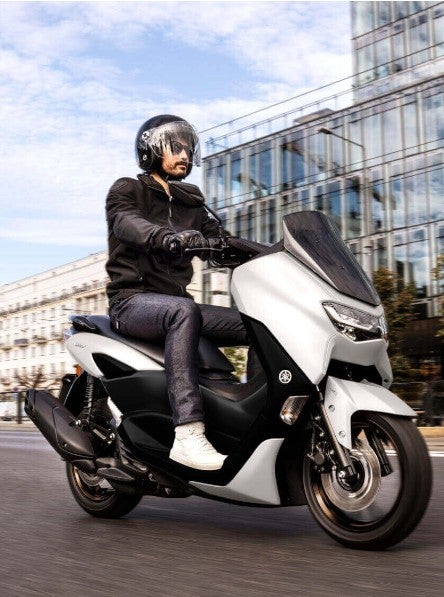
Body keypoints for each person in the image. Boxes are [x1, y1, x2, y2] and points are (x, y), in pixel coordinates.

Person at [105, 114, 251, 471]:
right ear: (151, 150)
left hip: (178, 304)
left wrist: (268, 250)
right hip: (132, 302)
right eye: (175, 147)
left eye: (188, 148)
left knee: (259, 324)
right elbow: (128, 223)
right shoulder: (128, 190)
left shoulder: (192, 202)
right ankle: (188, 433)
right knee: (183, 312)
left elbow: (220, 241)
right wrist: (165, 237)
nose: (184, 154)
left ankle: (257, 420)